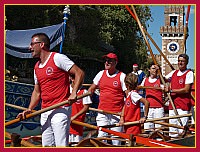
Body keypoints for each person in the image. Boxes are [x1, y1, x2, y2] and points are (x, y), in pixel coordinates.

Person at [17, 33, 84, 147]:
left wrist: (73, 93)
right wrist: (29, 108)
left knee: (60, 145)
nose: (30, 47)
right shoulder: (36, 67)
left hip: (61, 109)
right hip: (45, 110)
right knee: (46, 145)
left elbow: (79, 73)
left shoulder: (57, 58)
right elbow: (37, 92)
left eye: (32, 44)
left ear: (42, 44)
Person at [88, 53, 127, 145]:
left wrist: (122, 116)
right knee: (101, 139)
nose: (107, 62)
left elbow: (128, 96)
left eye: (110, 60)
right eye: (106, 60)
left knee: (116, 141)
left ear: (115, 63)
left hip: (116, 113)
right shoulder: (101, 74)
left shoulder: (122, 76)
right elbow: (91, 89)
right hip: (102, 112)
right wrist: (86, 102)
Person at [165, 54, 194, 138]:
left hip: (183, 106)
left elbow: (186, 89)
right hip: (172, 105)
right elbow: (164, 78)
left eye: (182, 61)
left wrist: (171, 90)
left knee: (181, 130)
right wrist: (158, 70)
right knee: (172, 131)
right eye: (179, 61)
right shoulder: (174, 72)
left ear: (186, 62)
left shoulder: (189, 73)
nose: (180, 63)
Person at [140, 62, 165, 132]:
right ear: (149, 70)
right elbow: (139, 88)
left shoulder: (160, 80)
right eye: (153, 68)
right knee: (148, 130)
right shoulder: (145, 80)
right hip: (148, 109)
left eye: (156, 69)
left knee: (159, 130)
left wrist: (160, 72)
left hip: (159, 109)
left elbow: (165, 87)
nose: (155, 70)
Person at [69, 74, 92, 146]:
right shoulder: (65, 90)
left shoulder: (84, 92)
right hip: (66, 124)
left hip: (77, 125)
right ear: (72, 79)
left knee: (76, 146)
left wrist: (73, 117)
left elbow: (86, 108)